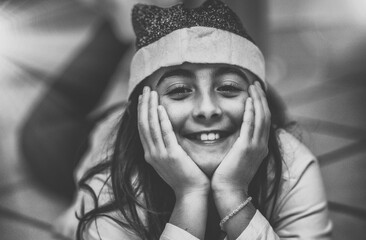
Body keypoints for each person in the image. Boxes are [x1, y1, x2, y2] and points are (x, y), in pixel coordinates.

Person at [65, 0, 332, 239]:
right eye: (180, 90)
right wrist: (189, 196)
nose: (207, 109)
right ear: (140, 111)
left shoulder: (292, 164)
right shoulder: (108, 180)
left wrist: (232, 193)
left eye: (228, 87)